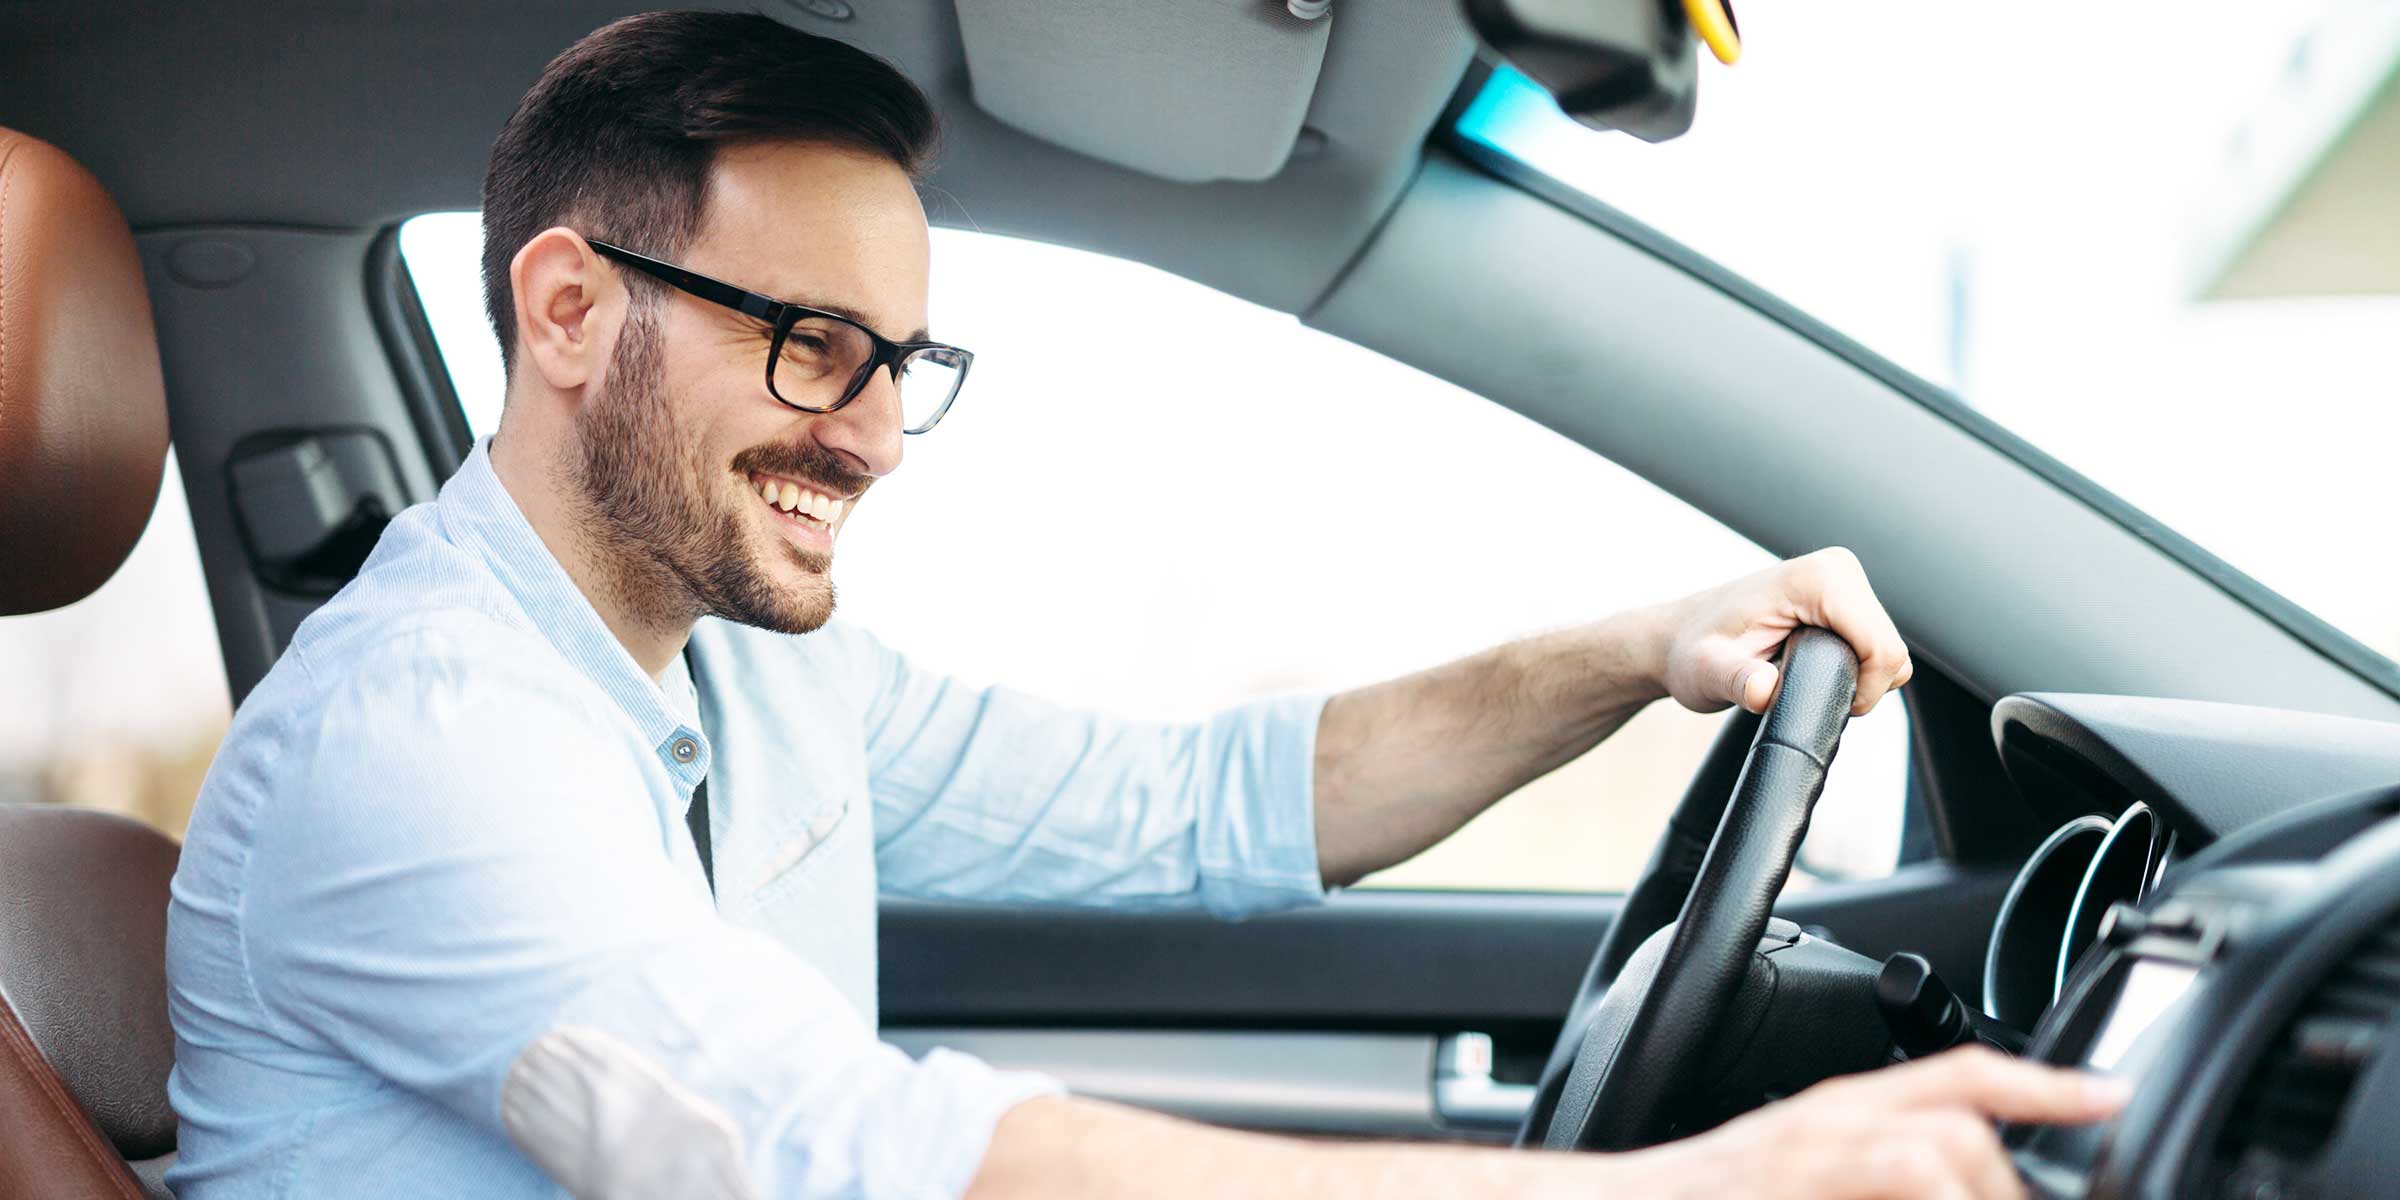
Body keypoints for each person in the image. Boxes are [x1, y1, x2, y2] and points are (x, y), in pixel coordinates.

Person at [163, 11, 2121, 1198]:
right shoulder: (414, 746)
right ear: (570, 311)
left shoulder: (758, 670)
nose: (874, 443)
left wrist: (1624, 656)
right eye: (815, 348)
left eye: (903, 367)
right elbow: (820, 1155)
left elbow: (1206, 810)